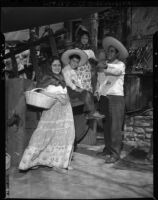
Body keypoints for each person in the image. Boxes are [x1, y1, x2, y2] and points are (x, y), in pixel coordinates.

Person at [19, 57, 75, 172]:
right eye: (54, 65)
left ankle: (58, 164)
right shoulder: (46, 78)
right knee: (43, 134)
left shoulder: (62, 78)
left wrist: (66, 99)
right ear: (50, 67)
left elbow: (66, 93)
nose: (57, 67)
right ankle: (31, 161)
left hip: (65, 111)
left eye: (59, 65)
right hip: (52, 111)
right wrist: (55, 96)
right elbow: (40, 90)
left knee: (64, 136)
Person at [96, 36, 129, 163]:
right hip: (104, 98)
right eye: (108, 51)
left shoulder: (120, 65)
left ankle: (115, 153)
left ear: (117, 54)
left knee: (115, 126)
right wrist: (97, 91)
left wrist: (103, 65)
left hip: (116, 98)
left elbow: (115, 71)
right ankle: (108, 149)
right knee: (107, 126)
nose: (109, 53)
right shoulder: (105, 65)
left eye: (112, 51)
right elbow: (101, 81)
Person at [61, 49, 104, 119]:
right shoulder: (66, 69)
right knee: (86, 93)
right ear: (69, 60)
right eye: (73, 61)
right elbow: (68, 82)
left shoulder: (74, 70)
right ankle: (92, 112)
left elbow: (78, 81)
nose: (75, 63)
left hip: (76, 90)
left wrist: (81, 88)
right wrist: (77, 89)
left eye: (77, 62)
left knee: (87, 94)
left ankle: (90, 112)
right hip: (69, 90)